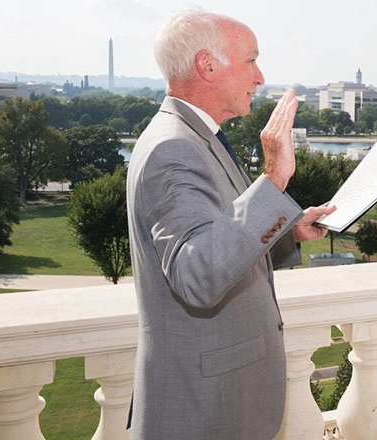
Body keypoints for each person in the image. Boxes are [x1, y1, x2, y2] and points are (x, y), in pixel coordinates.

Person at [125, 10, 335, 440]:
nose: (259, 77)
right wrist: (274, 178)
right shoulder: (174, 149)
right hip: (203, 411)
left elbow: (219, 232)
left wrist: (287, 230)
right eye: (250, 60)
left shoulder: (198, 137)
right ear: (207, 66)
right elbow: (197, 274)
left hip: (223, 401)